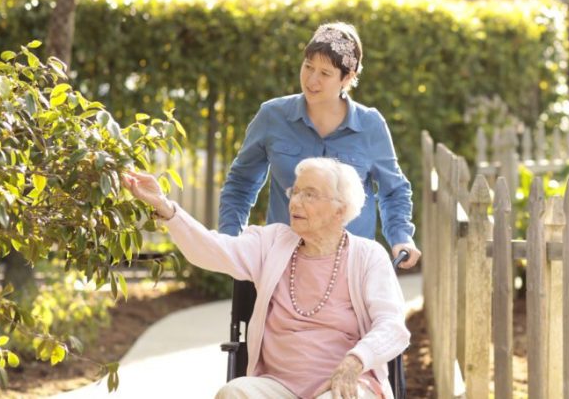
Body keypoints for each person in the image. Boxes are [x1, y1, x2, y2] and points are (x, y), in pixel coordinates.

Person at [123, 158, 410, 399]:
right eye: (295, 192)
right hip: (276, 386)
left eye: (309, 194)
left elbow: (392, 326)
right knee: (234, 393)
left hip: (341, 383)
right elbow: (212, 250)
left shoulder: (368, 256)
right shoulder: (272, 242)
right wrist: (164, 207)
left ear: (340, 208)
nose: (296, 202)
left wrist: (355, 361)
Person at [218, 22, 420, 269]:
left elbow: (393, 190)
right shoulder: (272, 116)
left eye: (325, 73)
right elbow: (241, 183)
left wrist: (401, 237)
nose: (312, 80)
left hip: (349, 269)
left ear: (348, 77)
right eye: (308, 67)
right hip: (282, 265)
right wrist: (230, 239)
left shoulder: (370, 125)